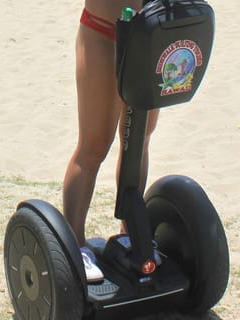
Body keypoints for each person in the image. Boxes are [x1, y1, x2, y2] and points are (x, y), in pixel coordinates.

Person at [62, 0, 160, 283]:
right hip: (102, 33)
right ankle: (75, 244)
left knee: (138, 142)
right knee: (93, 147)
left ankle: (130, 234)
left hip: (151, 35)